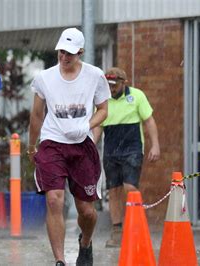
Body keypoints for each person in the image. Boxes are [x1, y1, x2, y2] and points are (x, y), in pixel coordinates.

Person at [27, 27, 110, 266]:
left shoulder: (95, 76)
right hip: (52, 143)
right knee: (54, 199)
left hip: (82, 146)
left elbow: (104, 110)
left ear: (81, 52)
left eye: (70, 53)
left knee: (86, 211)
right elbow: (36, 115)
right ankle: (60, 260)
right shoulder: (44, 78)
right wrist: (32, 146)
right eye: (61, 52)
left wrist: (87, 124)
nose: (64, 57)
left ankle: (86, 243)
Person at [93, 67, 160, 248]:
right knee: (113, 191)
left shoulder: (137, 96)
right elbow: (98, 126)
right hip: (111, 150)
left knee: (130, 187)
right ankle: (117, 231)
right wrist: (90, 148)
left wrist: (155, 145)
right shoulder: (103, 100)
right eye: (108, 85)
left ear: (124, 82)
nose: (111, 89)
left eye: (114, 85)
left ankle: (135, 227)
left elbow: (149, 121)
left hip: (132, 149)